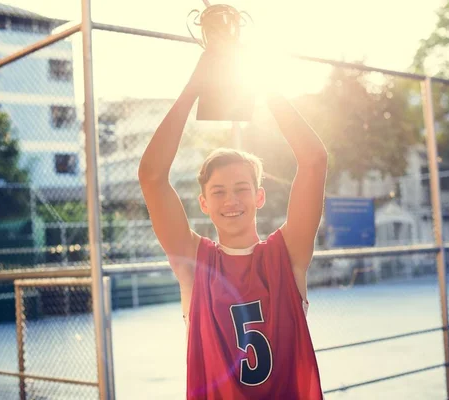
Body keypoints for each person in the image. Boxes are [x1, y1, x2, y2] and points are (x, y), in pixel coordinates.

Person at [138, 51, 328, 400]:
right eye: (219, 192)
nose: (231, 201)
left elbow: (314, 161)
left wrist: (260, 82)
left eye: (241, 189)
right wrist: (195, 87)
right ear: (204, 204)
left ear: (258, 196)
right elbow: (151, 176)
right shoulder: (193, 263)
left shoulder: (288, 254)